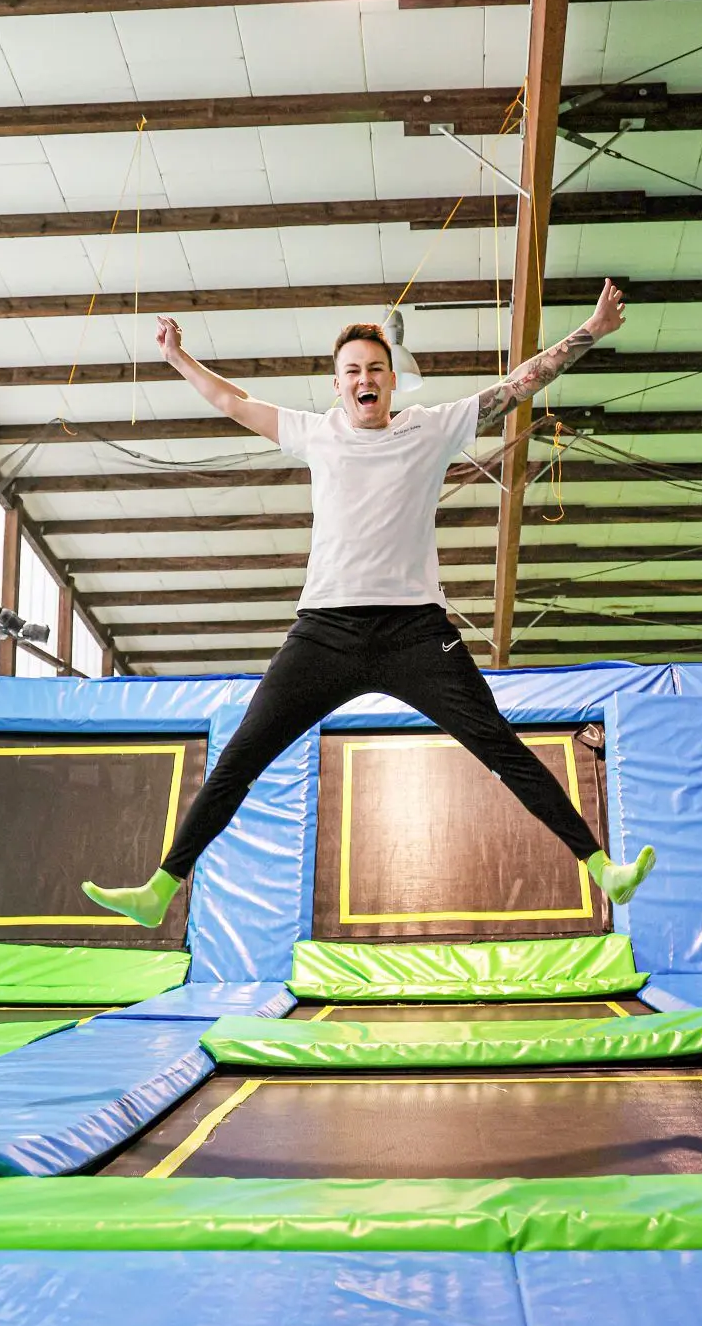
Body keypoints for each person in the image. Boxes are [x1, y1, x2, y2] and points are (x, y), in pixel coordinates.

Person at [83, 279, 655, 928]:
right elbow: (232, 401)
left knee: (498, 743)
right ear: (338, 385)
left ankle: (601, 868)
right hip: (324, 633)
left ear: (391, 380)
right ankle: (161, 888)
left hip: (417, 634)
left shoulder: (431, 429)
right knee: (242, 753)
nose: (365, 379)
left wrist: (591, 331)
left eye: (376, 369)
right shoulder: (316, 434)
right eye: (352, 370)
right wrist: (177, 358)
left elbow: (520, 384)